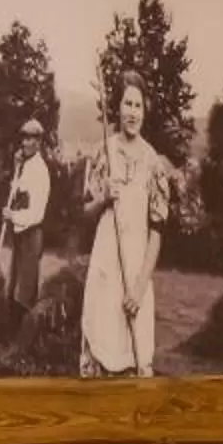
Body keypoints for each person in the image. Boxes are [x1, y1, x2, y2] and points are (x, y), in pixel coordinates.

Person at [79, 75, 171, 376]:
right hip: (105, 267)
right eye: (127, 104)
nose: (132, 112)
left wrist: (140, 287)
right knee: (100, 353)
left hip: (135, 273)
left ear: (145, 110)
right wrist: (103, 198)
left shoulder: (153, 163)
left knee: (133, 358)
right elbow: (85, 214)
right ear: (117, 108)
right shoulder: (103, 152)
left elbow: (157, 231)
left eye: (138, 105)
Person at [0, 118, 52, 333]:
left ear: (39, 142)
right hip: (19, 234)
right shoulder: (25, 166)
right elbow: (16, 190)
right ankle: (10, 333)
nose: (25, 143)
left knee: (25, 289)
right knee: (14, 284)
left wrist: (13, 216)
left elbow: (37, 214)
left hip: (31, 234)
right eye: (24, 138)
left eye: (30, 139)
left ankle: (23, 336)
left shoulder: (41, 171)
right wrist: (16, 167)